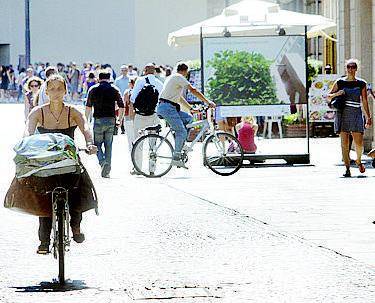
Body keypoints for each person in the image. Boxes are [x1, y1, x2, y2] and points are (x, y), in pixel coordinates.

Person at [4, 75, 98, 254]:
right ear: (46, 92)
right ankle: (44, 240)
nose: (56, 92)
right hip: (44, 161)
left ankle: (76, 227)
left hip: (69, 159)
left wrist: (90, 143)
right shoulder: (38, 112)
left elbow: (85, 128)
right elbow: (28, 130)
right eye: (52, 89)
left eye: (59, 89)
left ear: (65, 91)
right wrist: (26, 143)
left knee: (80, 188)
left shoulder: (73, 112)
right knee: (42, 197)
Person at [157, 62, 215, 168]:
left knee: (189, 119)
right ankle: (176, 158)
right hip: (168, 108)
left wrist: (191, 109)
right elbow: (193, 90)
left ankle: (181, 143)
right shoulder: (179, 77)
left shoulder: (172, 78)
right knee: (181, 131)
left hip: (168, 107)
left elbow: (179, 98)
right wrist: (207, 102)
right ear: (185, 71)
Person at [327, 59, 372, 177]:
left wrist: (369, 117)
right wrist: (338, 93)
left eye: (353, 67)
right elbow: (328, 97)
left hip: (356, 112)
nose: (351, 69)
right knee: (344, 143)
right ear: (346, 69)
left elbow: (365, 101)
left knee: (359, 142)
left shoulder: (361, 83)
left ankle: (358, 160)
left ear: (356, 69)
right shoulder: (340, 82)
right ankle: (347, 168)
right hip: (342, 113)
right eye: (348, 67)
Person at [85, 70, 125, 178]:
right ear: (109, 78)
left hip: (98, 119)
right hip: (111, 119)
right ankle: (107, 169)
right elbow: (122, 105)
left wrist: (86, 121)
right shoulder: (114, 89)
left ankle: (102, 163)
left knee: (97, 144)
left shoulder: (93, 89)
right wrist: (119, 120)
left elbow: (88, 106)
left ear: (99, 78)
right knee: (109, 145)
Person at [130, 63, 163, 175]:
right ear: (154, 71)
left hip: (140, 116)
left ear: (145, 70)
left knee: (138, 142)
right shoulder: (159, 83)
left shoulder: (140, 81)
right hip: (153, 115)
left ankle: (138, 168)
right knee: (153, 144)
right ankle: (152, 169)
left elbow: (133, 98)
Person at [123, 78, 136, 157]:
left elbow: (124, 105)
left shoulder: (127, 92)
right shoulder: (140, 91)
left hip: (128, 117)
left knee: (130, 140)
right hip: (138, 118)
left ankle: (133, 158)